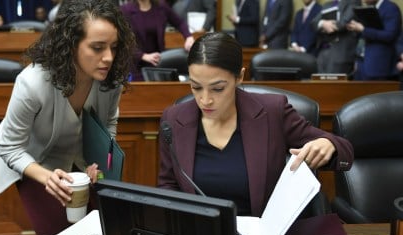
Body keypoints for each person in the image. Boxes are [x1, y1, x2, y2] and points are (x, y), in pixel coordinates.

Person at [0, 0, 135, 235]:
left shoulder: (110, 79)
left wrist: (99, 162)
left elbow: (108, 125)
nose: (109, 58)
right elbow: (10, 148)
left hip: (79, 160)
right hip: (34, 160)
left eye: (114, 47)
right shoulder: (32, 82)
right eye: (97, 47)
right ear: (71, 45)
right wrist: (47, 177)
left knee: (97, 232)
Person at [157, 32, 354, 217]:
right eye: (196, 87)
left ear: (239, 77)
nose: (205, 100)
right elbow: (168, 185)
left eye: (218, 89)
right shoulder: (173, 120)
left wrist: (329, 145)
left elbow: (344, 151)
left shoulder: (272, 112)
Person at [121, 0, 194, 81]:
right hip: (137, 66)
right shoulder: (125, 10)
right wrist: (143, 56)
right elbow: (123, 41)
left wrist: (188, 37)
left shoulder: (161, 6)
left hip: (159, 63)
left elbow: (179, 23)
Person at [346, 0, 402, 81]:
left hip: (379, 66)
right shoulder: (368, 8)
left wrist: (363, 30)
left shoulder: (390, 8)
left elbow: (390, 35)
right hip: (362, 64)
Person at [312, 0, 361, 75]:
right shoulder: (327, 4)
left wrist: (329, 25)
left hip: (340, 54)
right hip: (322, 54)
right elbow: (314, 22)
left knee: (335, 86)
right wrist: (323, 23)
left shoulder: (354, 2)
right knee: (320, 85)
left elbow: (344, 23)